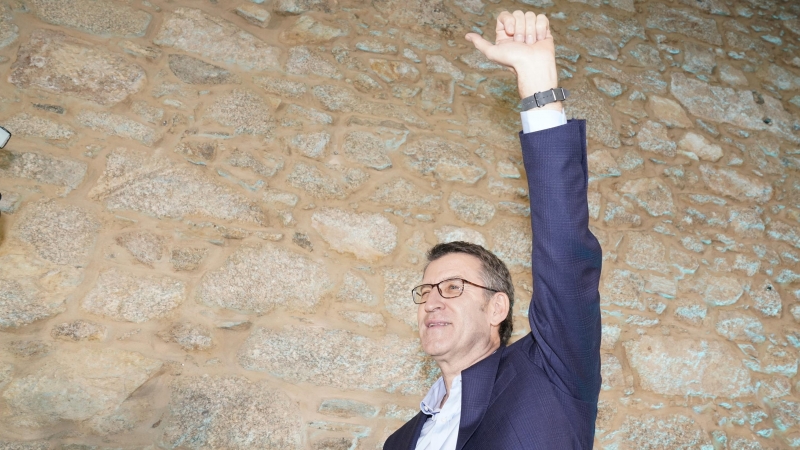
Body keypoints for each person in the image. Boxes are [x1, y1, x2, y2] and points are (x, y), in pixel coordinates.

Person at [383, 10, 602, 450]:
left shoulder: (547, 374)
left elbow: (565, 254)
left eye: (452, 287)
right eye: (425, 291)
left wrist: (537, 81)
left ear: (496, 308)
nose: (431, 302)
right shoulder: (400, 441)